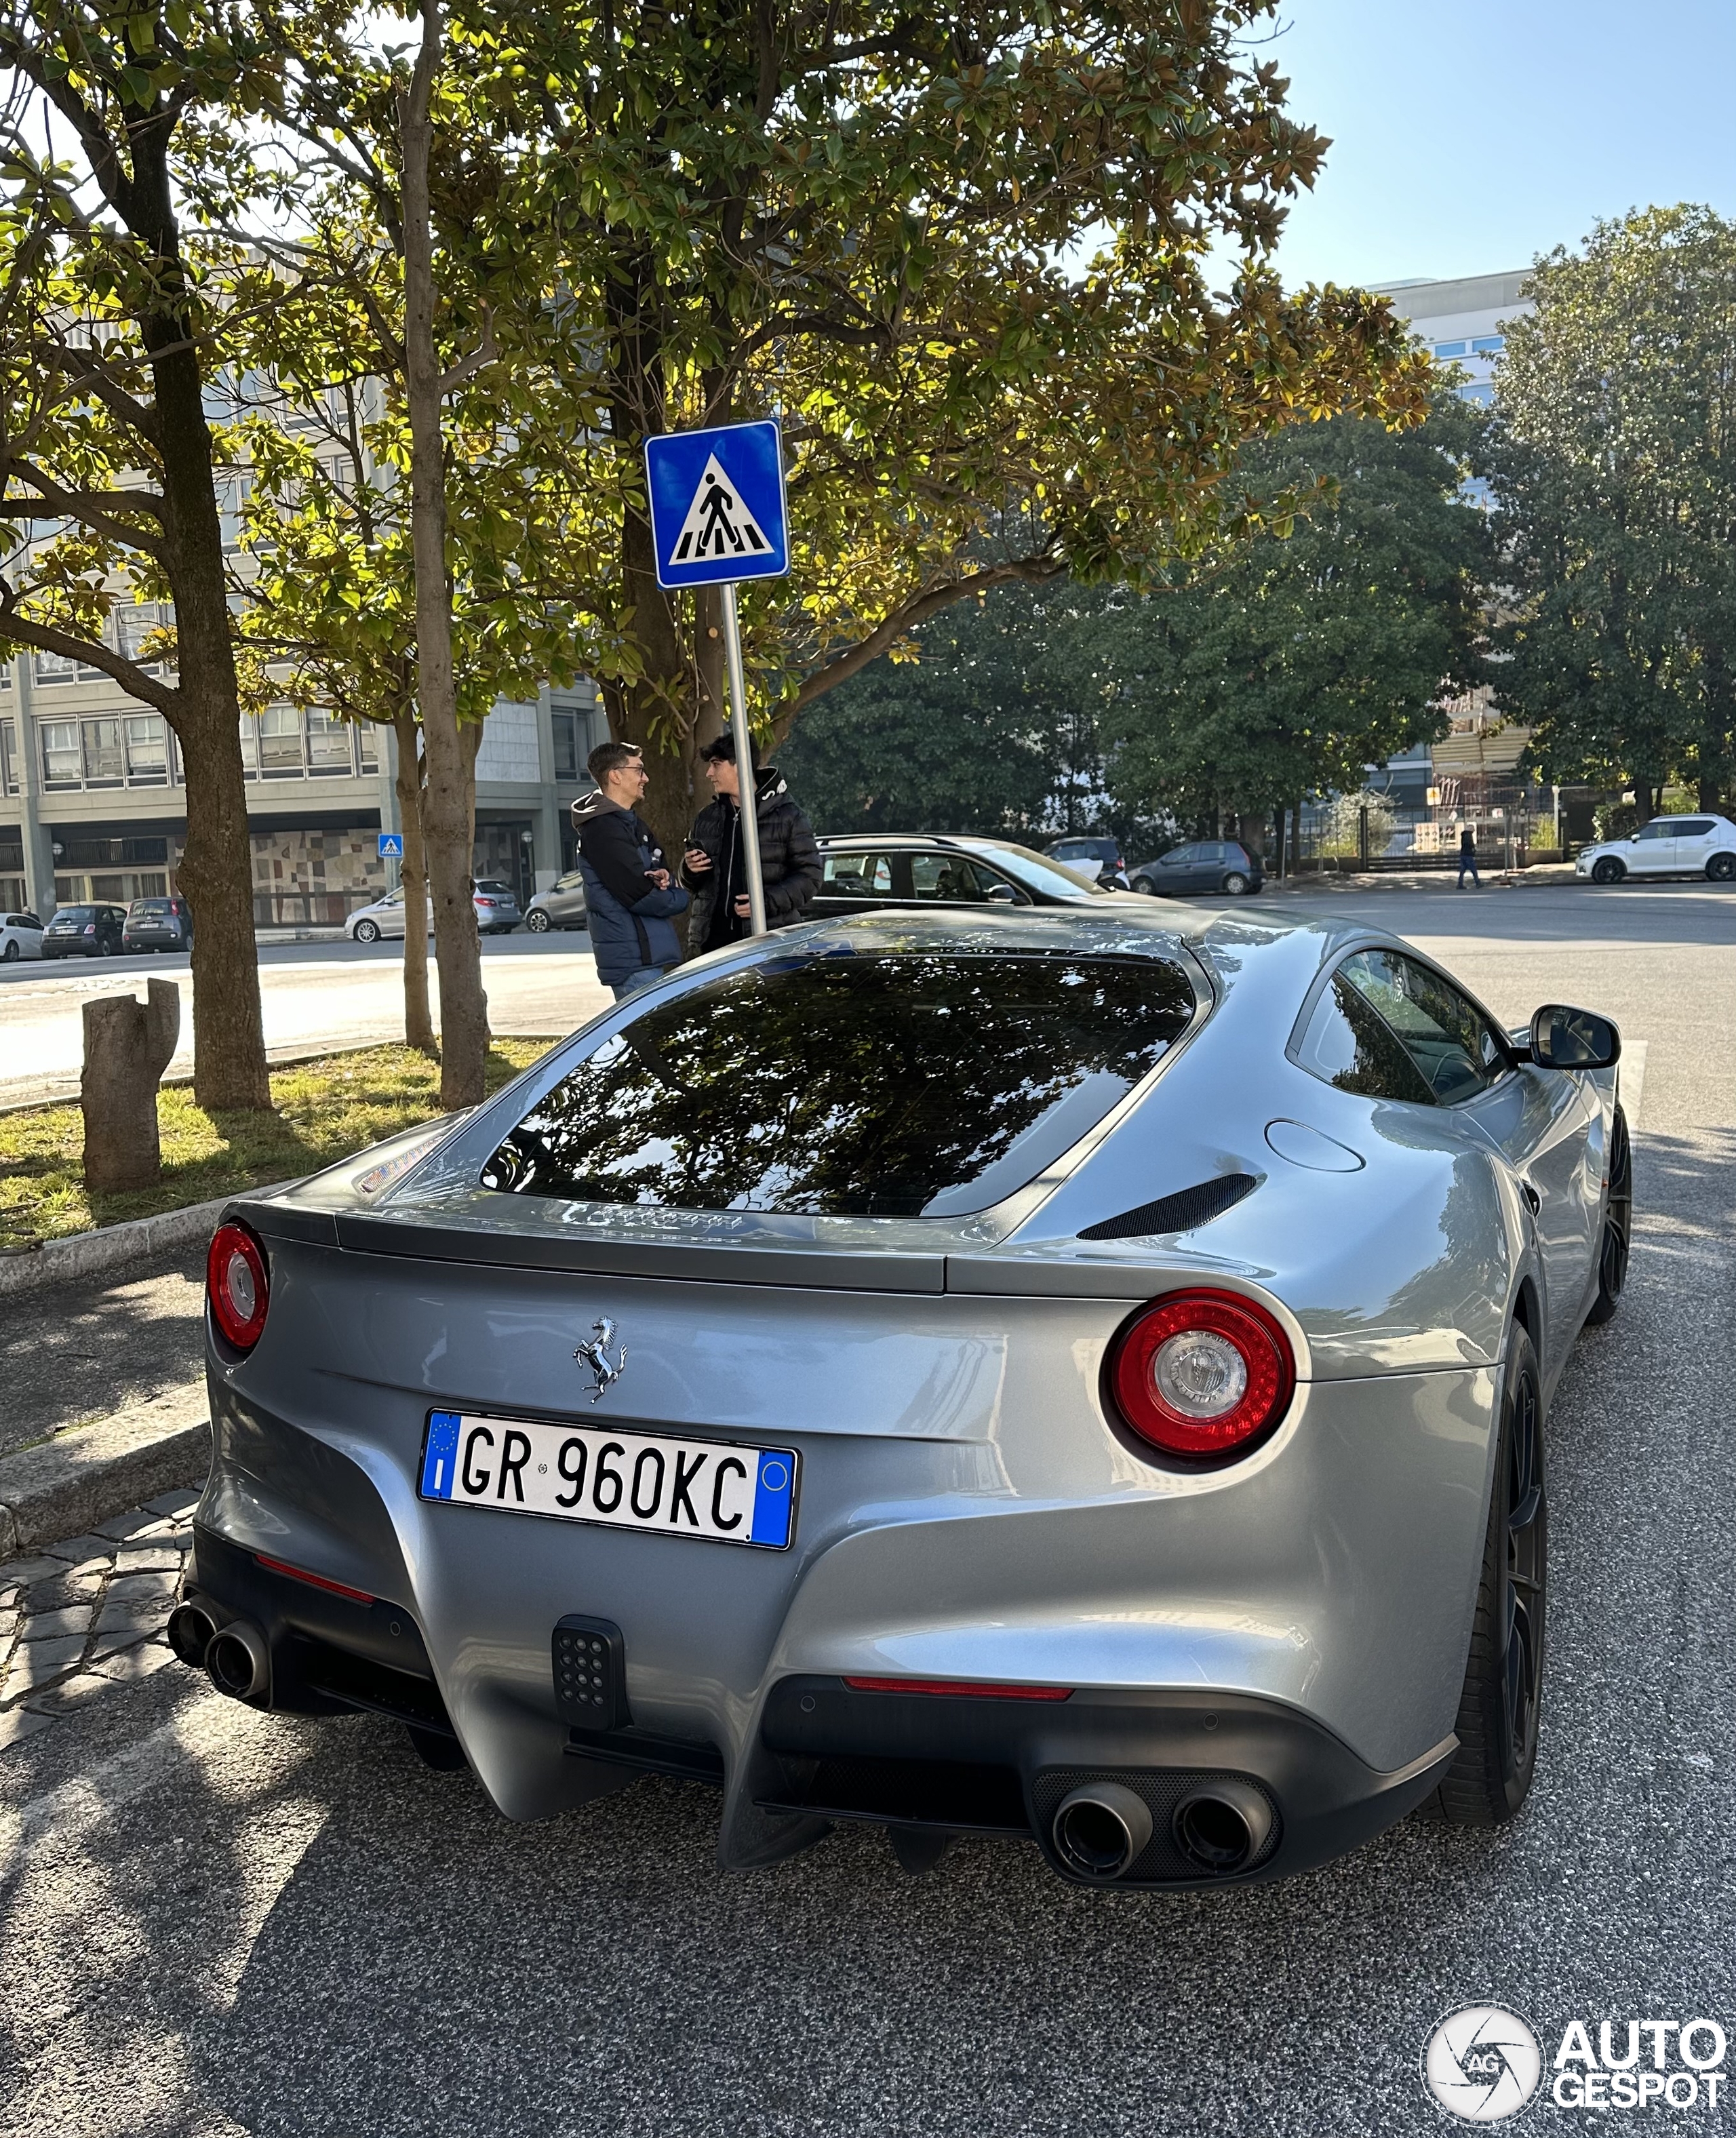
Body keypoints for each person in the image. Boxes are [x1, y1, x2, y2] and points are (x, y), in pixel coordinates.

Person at [572, 742, 690, 1000]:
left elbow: (660, 870)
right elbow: (640, 893)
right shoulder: (603, 830)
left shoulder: (629, 823)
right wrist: (681, 897)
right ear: (615, 776)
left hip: (646, 959)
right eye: (638, 770)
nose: (645, 778)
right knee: (650, 1040)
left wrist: (665, 878)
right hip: (635, 965)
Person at [682, 734, 822, 951]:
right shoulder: (706, 818)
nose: (709, 773)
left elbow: (810, 877)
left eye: (716, 765)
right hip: (710, 946)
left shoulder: (788, 817)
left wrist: (764, 904)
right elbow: (691, 884)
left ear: (741, 765)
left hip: (767, 943)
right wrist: (689, 870)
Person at [1457, 825, 1480, 889]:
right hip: (1468, 855)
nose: (1474, 830)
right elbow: (1470, 844)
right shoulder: (1468, 835)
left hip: (1463, 854)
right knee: (1473, 869)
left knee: (1462, 871)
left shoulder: (1464, 835)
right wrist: (1473, 848)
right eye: (1473, 829)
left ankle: (1460, 884)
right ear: (1470, 829)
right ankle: (1478, 883)